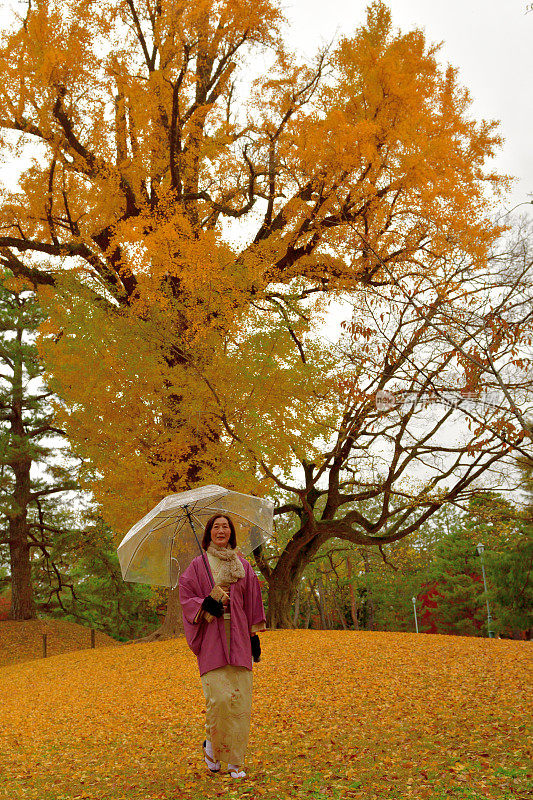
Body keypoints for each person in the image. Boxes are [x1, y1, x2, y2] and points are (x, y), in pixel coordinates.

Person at [178, 513, 267, 779]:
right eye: (216, 527)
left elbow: (253, 598)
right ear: (209, 533)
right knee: (218, 700)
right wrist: (205, 604)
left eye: (225, 527)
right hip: (212, 640)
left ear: (231, 533)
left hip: (239, 637)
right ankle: (213, 748)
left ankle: (235, 763)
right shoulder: (198, 565)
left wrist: (253, 636)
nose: (221, 531)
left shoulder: (244, 566)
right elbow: (185, 594)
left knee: (240, 702)